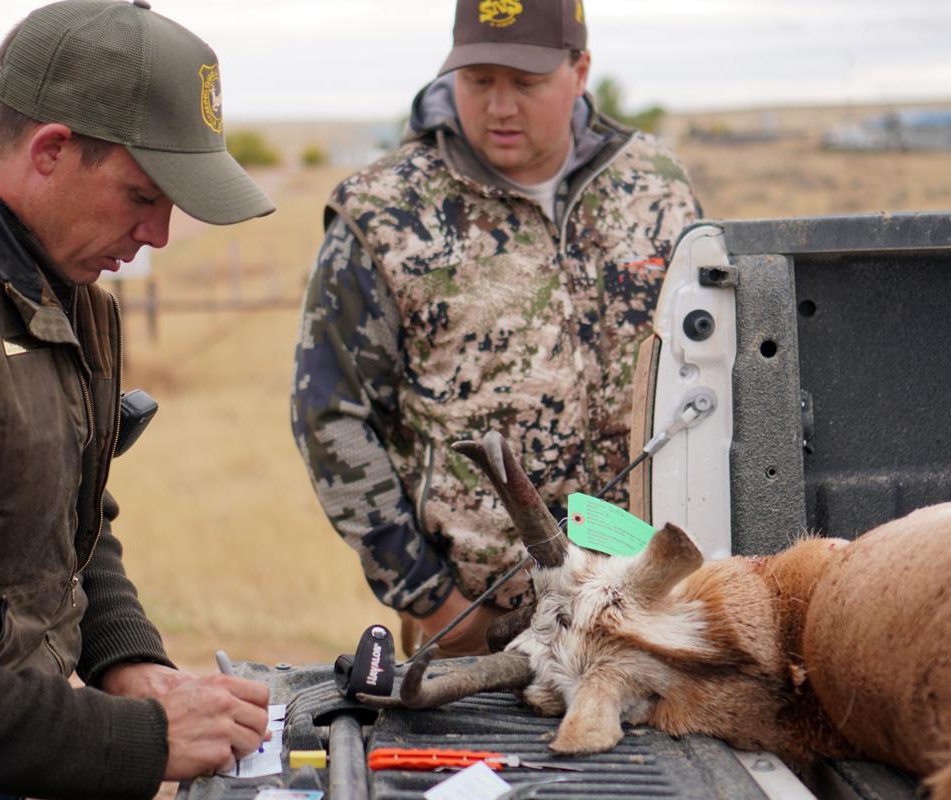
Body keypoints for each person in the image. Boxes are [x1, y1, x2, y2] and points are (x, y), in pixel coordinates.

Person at [0, 2, 275, 797]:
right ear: (51, 151)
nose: (158, 233)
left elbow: (61, 517)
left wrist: (129, 659)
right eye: (143, 195)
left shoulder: (52, 268)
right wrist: (137, 741)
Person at [292, 0, 700, 658]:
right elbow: (328, 417)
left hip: (654, 611)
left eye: (526, 82)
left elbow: (707, 373)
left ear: (581, 70)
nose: (499, 107)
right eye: (479, 80)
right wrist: (435, 604)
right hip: (484, 633)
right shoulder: (382, 213)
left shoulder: (657, 189)